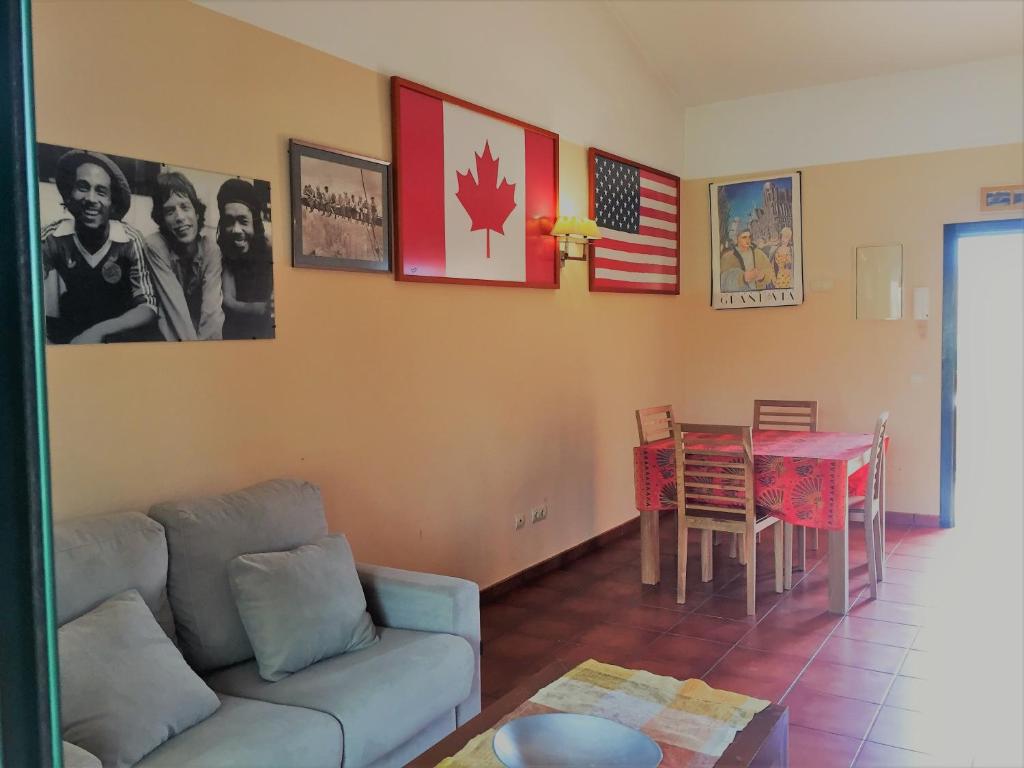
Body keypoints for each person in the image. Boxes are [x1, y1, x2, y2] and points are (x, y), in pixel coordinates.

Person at [41, 149, 158, 344]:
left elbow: (148, 306)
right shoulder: (54, 237)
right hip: (74, 325)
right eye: (82, 187)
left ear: (112, 203)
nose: (91, 199)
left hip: (118, 330)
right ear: (69, 195)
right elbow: (23, 290)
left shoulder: (129, 240)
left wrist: (98, 331)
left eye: (101, 191)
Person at [144, 171, 224, 341]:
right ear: (162, 219)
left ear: (197, 213)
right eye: (169, 211)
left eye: (185, 207)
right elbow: (175, 312)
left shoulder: (210, 250)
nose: (179, 217)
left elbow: (212, 315)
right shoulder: (155, 246)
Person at [217, 178, 274, 340]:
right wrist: (264, 308)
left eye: (243, 221)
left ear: (255, 221)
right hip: (237, 330)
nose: (236, 230)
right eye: (229, 221)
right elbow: (229, 302)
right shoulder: (223, 252)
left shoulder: (271, 247)